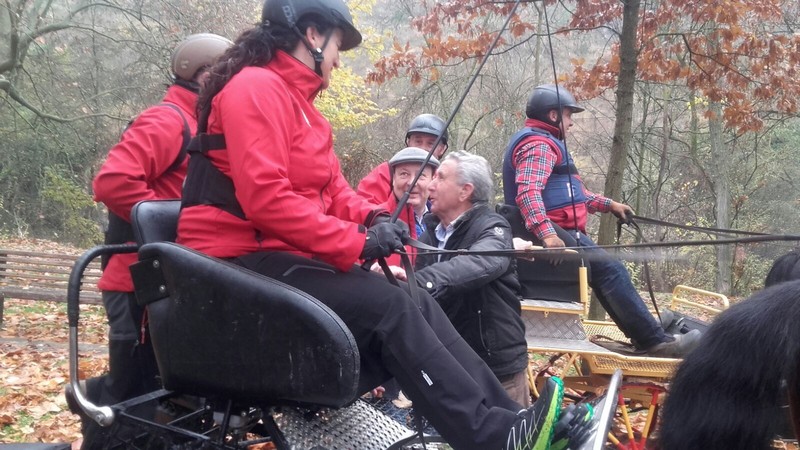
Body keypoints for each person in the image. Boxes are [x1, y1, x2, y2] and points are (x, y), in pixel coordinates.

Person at [176, 1, 571, 449]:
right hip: (234, 264)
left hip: (276, 256)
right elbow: (267, 200)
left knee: (412, 295)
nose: (340, 59)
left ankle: (512, 419)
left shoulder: (303, 109)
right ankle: (491, 438)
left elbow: (334, 192)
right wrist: (359, 243)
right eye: (339, 46)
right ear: (312, 35)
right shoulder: (256, 89)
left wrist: (375, 217)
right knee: (391, 308)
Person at [87, 33, 232, 416]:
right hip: (135, 279)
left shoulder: (202, 125)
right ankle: (97, 417)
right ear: (204, 73)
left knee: (170, 392)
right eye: (227, 75)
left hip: (167, 278)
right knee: (132, 390)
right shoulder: (168, 120)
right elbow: (113, 181)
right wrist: (172, 227)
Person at [502, 84, 701, 358]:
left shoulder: (548, 144)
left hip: (560, 230)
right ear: (552, 115)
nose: (571, 122)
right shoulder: (538, 145)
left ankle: (649, 333)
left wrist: (610, 205)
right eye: (569, 115)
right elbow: (528, 193)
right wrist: (548, 235)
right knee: (611, 270)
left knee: (607, 269)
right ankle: (653, 340)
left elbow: (574, 195)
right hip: (550, 234)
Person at [407, 151, 531, 407]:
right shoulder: (432, 230)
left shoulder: (494, 228)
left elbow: (478, 263)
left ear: (465, 191)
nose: (430, 184)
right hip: (450, 364)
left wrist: (417, 283)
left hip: (496, 371)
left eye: (440, 178)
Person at [357, 113, 448, 205]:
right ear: (408, 142)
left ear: (442, 149)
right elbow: (365, 207)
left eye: (431, 144)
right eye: (418, 141)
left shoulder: (446, 178)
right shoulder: (387, 171)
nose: (422, 148)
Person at [377, 146, 439, 266]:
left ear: (432, 180)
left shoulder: (444, 222)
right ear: (393, 179)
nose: (411, 182)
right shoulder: (376, 219)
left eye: (420, 175)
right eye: (404, 174)